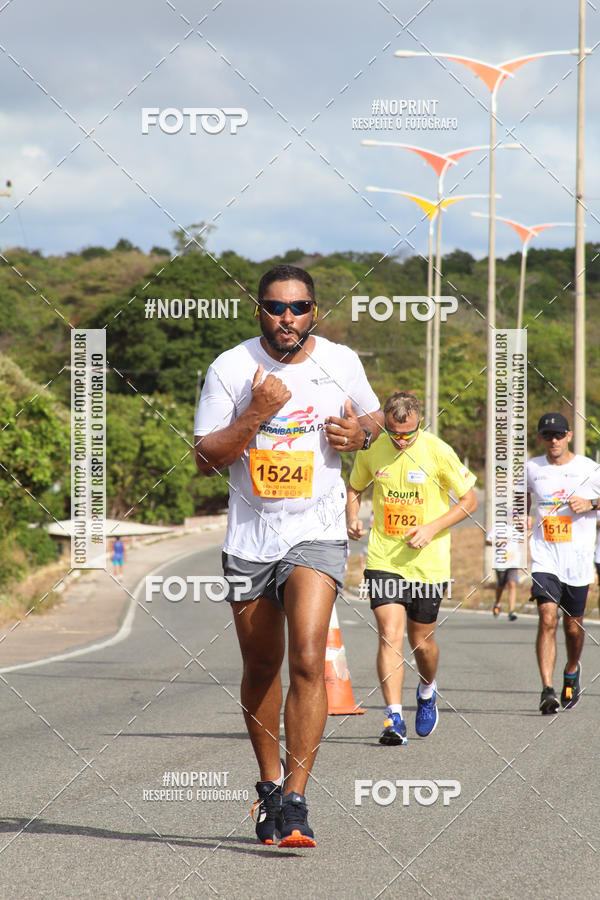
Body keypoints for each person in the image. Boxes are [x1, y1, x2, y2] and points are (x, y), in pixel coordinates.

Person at [194, 264, 383, 847]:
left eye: (299, 307)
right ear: (260, 311)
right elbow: (205, 457)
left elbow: (373, 416)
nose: (287, 318)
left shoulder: (341, 361)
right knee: (260, 666)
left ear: (314, 312)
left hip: (316, 532)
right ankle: (269, 786)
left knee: (307, 658)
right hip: (251, 540)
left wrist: (361, 434)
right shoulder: (230, 367)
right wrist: (256, 412)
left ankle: (297, 800)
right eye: (276, 307)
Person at [346, 392, 477, 745]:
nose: (401, 440)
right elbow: (354, 488)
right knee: (389, 633)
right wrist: (352, 517)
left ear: (419, 422)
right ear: (385, 424)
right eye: (394, 433)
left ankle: (427, 688)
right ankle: (393, 717)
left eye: (408, 434)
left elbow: (469, 500)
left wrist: (432, 528)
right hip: (384, 559)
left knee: (422, 642)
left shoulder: (437, 451)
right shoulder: (373, 448)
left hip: (428, 563)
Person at [528, 412, 600, 715]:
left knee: (573, 627)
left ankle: (571, 669)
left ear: (569, 435)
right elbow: (517, 500)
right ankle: (547, 690)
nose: (554, 440)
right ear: (540, 438)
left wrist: (591, 503)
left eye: (559, 435)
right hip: (545, 556)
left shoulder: (589, 468)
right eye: (548, 435)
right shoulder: (532, 468)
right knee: (547, 618)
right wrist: (521, 517)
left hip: (578, 559)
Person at [485, 518, 522, 620]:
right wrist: (497, 543)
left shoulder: (517, 527)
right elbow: (487, 541)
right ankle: (497, 603)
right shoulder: (498, 527)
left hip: (513, 561)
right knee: (501, 584)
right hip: (501, 560)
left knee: (512, 583)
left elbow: (523, 539)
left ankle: (511, 611)